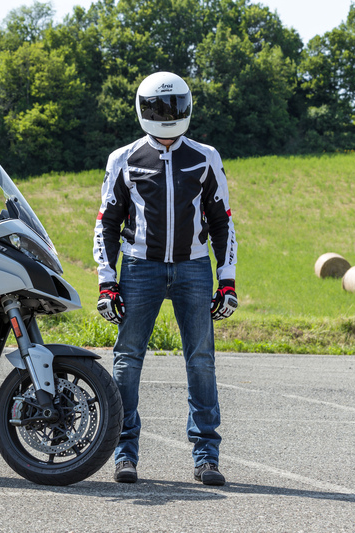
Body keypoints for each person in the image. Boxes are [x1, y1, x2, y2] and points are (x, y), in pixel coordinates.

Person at [93, 71, 238, 486]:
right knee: (127, 361)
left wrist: (226, 280)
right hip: (140, 268)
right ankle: (123, 454)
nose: (166, 114)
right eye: (158, 107)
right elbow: (107, 223)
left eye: (172, 106)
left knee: (201, 362)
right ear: (143, 109)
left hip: (194, 268)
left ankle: (206, 457)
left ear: (187, 107)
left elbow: (223, 221)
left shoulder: (206, 156)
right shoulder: (123, 158)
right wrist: (107, 281)